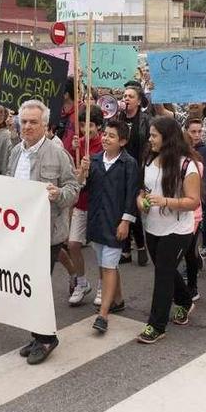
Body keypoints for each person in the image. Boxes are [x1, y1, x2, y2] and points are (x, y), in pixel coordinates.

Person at [5, 100, 80, 364]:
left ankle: (46, 338)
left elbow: (73, 189)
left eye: (33, 122)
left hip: (47, 233)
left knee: (38, 287)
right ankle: (37, 335)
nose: (27, 126)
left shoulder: (57, 153)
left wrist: (59, 194)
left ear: (45, 125)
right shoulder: (15, 152)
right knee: (28, 286)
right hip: (21, 232)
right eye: (23, 121)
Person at [136, 116, 200, 344]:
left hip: (178, 229)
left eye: (154, 135)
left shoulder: (186, 166)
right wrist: (141, 201)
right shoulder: (149, 159)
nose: (150, 139)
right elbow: (143, 191)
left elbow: (193, 201)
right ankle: (185, 300)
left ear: (167, 138)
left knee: (162, 274)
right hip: (152, 226)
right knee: (167, 269)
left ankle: (156, 325)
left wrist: (165, 202)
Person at [77, 120, 138, 333]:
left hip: (115, 222)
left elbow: (132, 195)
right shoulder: (93, 160)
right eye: (105, 134)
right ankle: (118, 299)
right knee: (105, 263)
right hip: (96, 220)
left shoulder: (128, 163)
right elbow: (82, 188)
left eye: (112, 136)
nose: (105, 138)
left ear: (122, 141)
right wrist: (82, 172)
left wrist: (125, 221)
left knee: (109, 265)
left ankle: (103, 314)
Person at [62, 107, 104, 306]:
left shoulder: (104, 145)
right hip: (80, 203)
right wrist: (73, 148)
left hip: (98, 204)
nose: (87, 130)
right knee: (73, 244)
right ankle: (81, 281)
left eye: (91, 126)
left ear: (98, 126)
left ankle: (103, 285)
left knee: (100, 249)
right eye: (83, 126)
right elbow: (71, 172)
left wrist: (92, 165)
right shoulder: (79, 144)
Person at [114, 84, 151, 265]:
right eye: (124, 96)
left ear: (138, 101)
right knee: (121, 207)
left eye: (130, 96)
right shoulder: (117, 116)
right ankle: (126, 249)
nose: (126, 99)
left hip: (138, 168)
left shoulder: (145, 119)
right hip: (120, 168)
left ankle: (141, 245)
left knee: (132, 208)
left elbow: (149, 143)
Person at [186, 118, 206, 261]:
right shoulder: (183, 149)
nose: (197, 135)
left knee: (205, 218)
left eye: (200, 131)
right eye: (193, 131)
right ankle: (193, 254)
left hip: (203, 192)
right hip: (188, 192)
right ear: (186, 131)